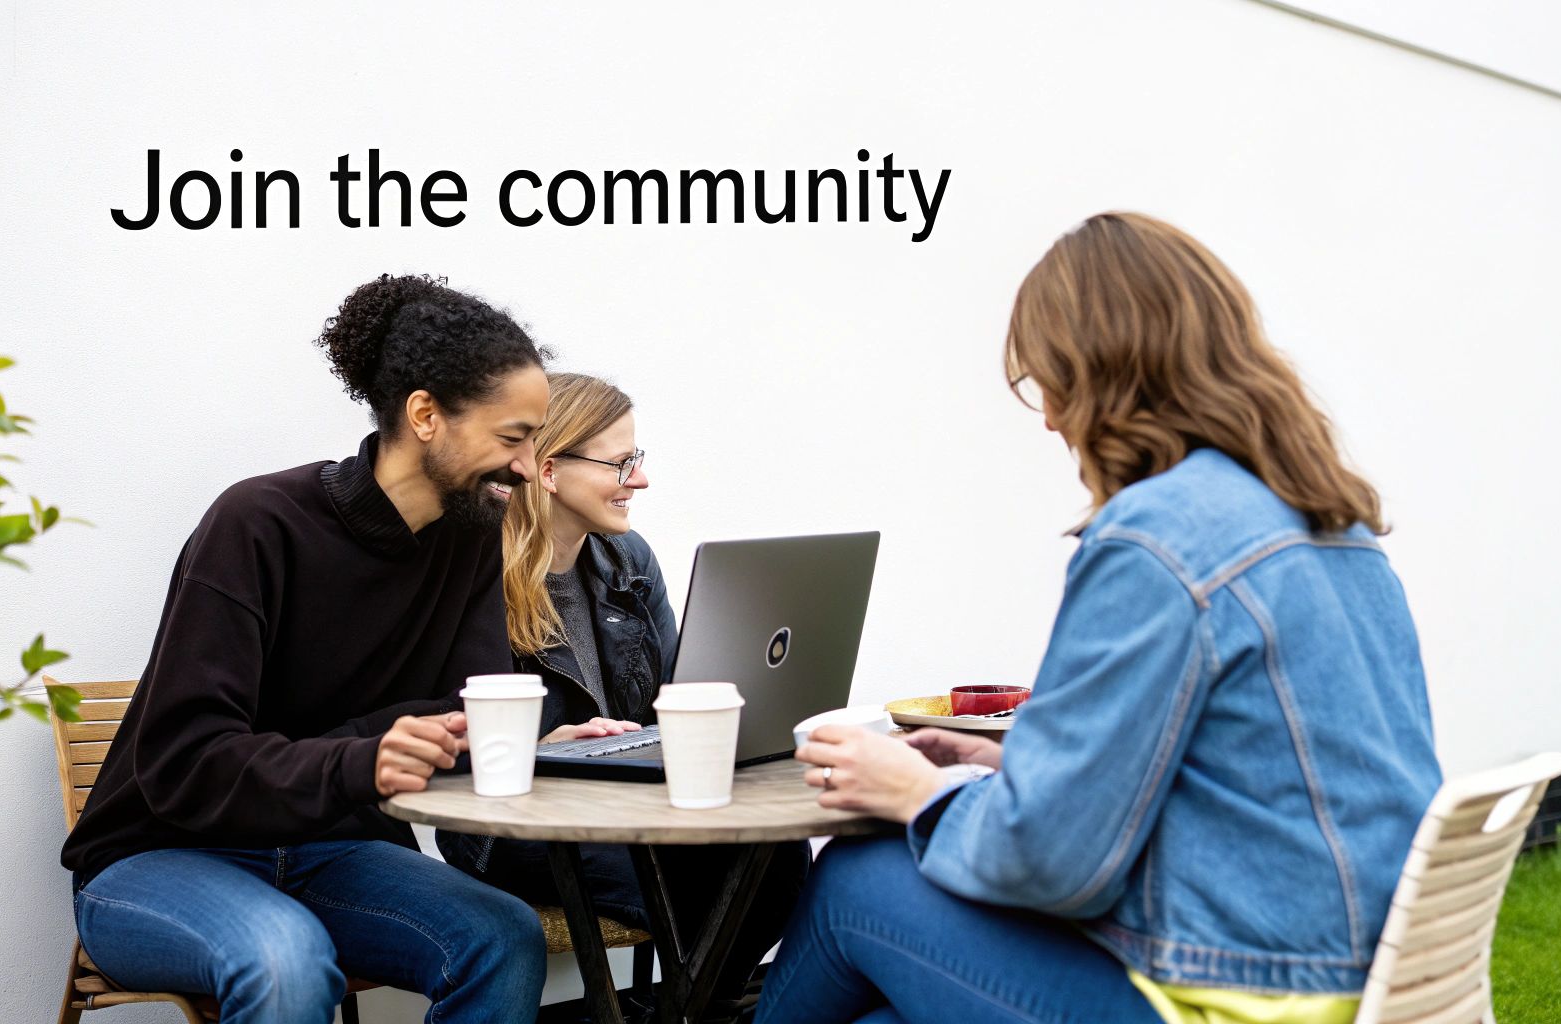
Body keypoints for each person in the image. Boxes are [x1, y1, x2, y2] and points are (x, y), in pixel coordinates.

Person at [758, 213, 1442, 1024]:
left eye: (1049, 383)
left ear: (1104, 374)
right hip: (1352, 979)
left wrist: (919, 791)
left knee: (854, 879)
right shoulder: (1335, 527)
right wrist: (1014, 768)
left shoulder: (1155, 538)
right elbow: (1250, 777)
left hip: (1231, 996)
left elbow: (1056, 863)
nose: (1049, 419)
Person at [60, 274, 556, 1024]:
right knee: (285, 956)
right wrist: (364, 756)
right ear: (426, 414)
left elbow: (463, 712)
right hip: (158, 857)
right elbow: (184, 759)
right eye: (512, 439)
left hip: (327, 849)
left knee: (504, 936)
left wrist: (544, 744)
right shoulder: (259, 524)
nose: (525, 468)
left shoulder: (469, 539)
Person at [435, 372, 810, 1020]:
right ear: (548, 470)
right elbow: (439, 729)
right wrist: (532, 745)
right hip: (516, 820)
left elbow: (673, 698)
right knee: (702, 878)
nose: (640, 479)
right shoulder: (471, 576)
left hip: (624, 800)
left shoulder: (629, 560)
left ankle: (685, 1012)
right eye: (622, 462)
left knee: (775, 852)